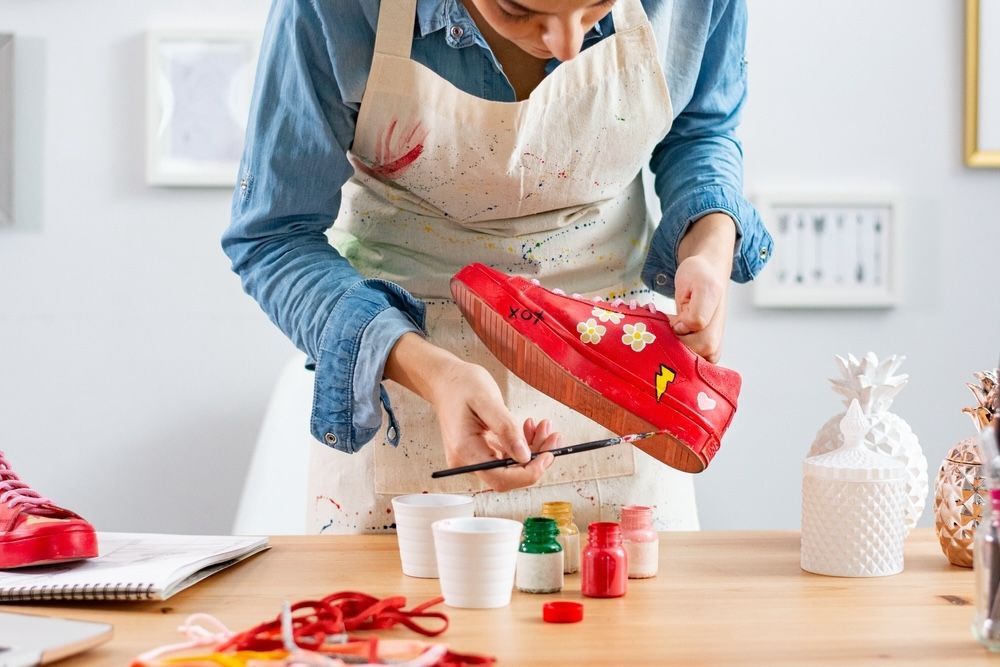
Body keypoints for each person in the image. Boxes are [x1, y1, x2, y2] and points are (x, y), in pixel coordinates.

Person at [223, 0, 773, 534]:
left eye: (596, 5)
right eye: (518, 9)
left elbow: (701, 130)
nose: (567, 44)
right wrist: (432, 374)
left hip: (618, 384)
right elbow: (274, 236)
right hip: (410, 391)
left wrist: (708, 244)